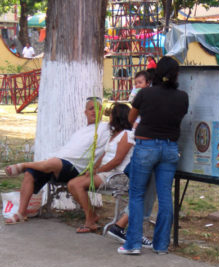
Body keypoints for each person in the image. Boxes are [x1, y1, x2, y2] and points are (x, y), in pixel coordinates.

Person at [118, 56, 189, 255]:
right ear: (176, 75)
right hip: (170, 149)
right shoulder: (183, 96)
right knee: (165, 196)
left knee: (137, 194)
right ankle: (161, 246)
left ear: (156, 73)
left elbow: (132, 117)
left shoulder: (145, 93)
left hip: (146, 146)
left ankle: (132, 244)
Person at [4, 97, 110, 224]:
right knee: (30, 173)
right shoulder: (80, 131)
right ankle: (21, 213)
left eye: (98, 109)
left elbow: (113, 143)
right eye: (91, 108)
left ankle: (23, 165)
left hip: (76, 168)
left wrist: (97, 167)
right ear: (85, 112)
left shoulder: (106, 128)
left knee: (52, 163)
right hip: (58, 163)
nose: (94, 111)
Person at [67, 103, 134, 233]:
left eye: (112, 115)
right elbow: (103, 156)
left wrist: (97, 171)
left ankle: (90, 221)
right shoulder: (114, 135)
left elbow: (117, 160)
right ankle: (91, 216)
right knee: (72, 184)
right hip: (106, 172)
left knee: (76, 185)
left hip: (117, 175)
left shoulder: (127, 134)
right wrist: (91, 169)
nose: (109, 118)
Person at [107, 70, 154, 248]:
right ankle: (128, 232)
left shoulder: (142, 103)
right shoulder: (144, 102)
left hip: (140, 156)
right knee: (142, 195)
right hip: (143, 156)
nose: (137, 86)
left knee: (140, 194)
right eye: (136, 83)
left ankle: (127, 230)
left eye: (140, 82)